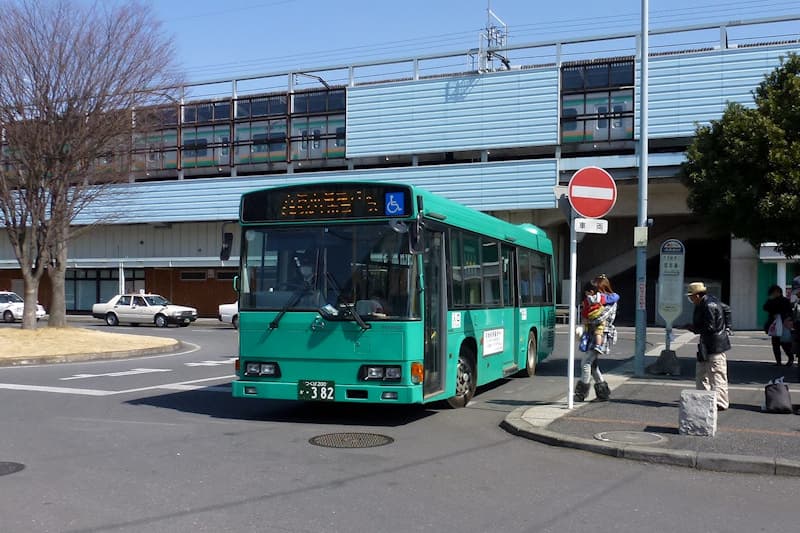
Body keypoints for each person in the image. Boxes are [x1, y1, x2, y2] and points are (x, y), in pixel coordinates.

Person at [685, 282, 732, 411]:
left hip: (714, 344)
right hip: (707, 344)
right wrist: (728, 327)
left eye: (691, 296)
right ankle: (704, 398)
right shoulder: (709, 302)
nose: (690, 299)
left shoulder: (708, 305)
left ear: (698, 295)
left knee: (716, 375)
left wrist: (693, 328)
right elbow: (727, 309)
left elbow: (710, 327)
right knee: (702, 373)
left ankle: (720, 403)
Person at [574, 276, 619, 402]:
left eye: (597, 289)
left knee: (586, 363)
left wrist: (587, 319)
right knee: (592, 365)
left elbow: (600, 318)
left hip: (603, 335)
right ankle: (602, 393)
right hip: (592, 334)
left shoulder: (610, 301)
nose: (595, 293)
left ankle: (581, 393)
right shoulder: (598, 300)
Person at [762, 284, 794, 366]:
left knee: (784, 344)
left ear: (777, 292)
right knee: (776, 343)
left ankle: (789, 359)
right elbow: (765, 307)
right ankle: (779, 361)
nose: (772, 295)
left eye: (773, 293)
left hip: (783, 324)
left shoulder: (784, 301)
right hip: (775, 325)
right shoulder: (772, 301)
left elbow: (788, 312)